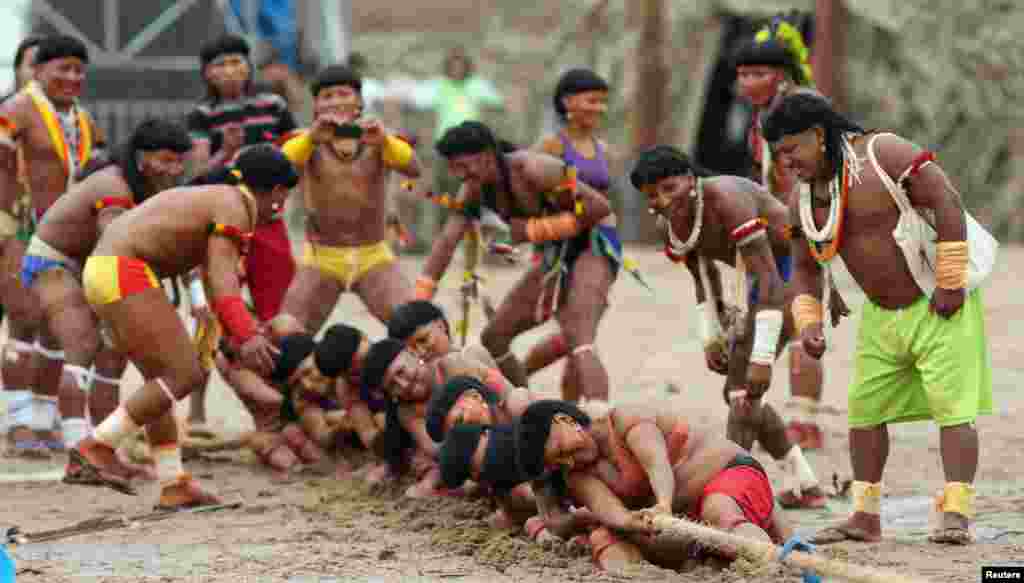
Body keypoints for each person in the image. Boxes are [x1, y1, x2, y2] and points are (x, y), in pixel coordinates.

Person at [763, 92, 995, 545]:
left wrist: (949, 281)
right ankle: (865, 517)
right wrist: (808, 322)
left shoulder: (883, 152)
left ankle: (956, 514)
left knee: (954, 411)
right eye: (779, 154)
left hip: (938, 304)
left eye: (793, 149)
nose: (787, 162)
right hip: (881, 317)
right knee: (864, 415)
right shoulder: (803, 201)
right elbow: (805, 268)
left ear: (817, 134)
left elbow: (947, 200)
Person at [66, 145, 294, 509]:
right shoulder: (237, 204)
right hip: (123, 271)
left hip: (107, 271)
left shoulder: (216, 197)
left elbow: (208, 272)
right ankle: (97, 447)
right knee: (183, 374)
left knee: (162, 381)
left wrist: (218, 322)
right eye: (283, 199)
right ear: (279, 192)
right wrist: (247, 334)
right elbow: (224, 282)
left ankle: (173, 483)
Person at [628, 145, 827, 509]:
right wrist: (711, 335)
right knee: (740, 393)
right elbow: (703, 276)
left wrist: (763, 356)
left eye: (669, 188)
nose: (662, 200)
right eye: (652, 195)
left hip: (794, 276)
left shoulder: (726, 198)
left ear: (690, 178)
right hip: (759, 284)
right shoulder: (669, 223)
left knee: (743, 395)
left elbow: (769, 278)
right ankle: (803, 482)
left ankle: (733, 490)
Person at [23, 119, 191, 467]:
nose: (174, 169)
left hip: (95, 267)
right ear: (142, 158)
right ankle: (77, 453)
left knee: (111, 359)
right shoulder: (113, 186)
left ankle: (104, 451)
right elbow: (112, 249)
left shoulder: (150, 187)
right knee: (81, 345)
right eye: (166, 160)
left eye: (179, 161)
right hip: (54, 262)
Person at [420, 121, 618, 403]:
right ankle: (529, 412)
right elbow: (447, 241)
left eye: (464, 166)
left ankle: (600, 423)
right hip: (553, 257)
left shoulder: (535, 168)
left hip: (594, 246)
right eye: (454, 168)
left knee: (579, 335)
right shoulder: (474, 189)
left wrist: (536, 230)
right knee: (494, 338)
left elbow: (600, 206)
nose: (460, 176)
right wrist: (420, 300)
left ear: (487, 155)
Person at [513, 400, 792, 570]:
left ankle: (773, 570)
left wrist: (663, 504)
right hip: (689, 525)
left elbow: (656, 464)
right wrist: (633, 522)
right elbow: (608, 509)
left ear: (565, 420)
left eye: (563, 451)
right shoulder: (577, 474)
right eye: (560, 463)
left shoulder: (624, 419)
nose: (569, 463)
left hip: (732, 479)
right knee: (604, 535)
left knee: (717, 508)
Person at [732, 16, 840, 450]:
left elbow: (827, 166)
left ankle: (803, 421)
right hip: (774, 228)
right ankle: (757, 411)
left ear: (783, 76)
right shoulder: (760, 117)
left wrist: (812, 218)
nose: (747, 83)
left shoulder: (803, 107)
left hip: (804, 224)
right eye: (742, 75)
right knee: (765, 318)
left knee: (800, 316)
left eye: (758, 74)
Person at [185, 33, 300, 437]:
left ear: (248, 66)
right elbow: (198, 176)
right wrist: (224, 153)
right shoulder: (202, 114)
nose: (230, 70)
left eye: (237, 61)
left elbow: (293, 155)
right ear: (206, 73)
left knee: (275, 313)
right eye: (220, 64)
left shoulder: (273, 105)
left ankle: (278, 405)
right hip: (222, 221)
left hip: (268, 223)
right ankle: (196, 411)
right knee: (215, 313)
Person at [0, 35, 105, 456]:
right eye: (62, 68)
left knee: (58, 328)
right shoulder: (15, 110)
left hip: (65, 237)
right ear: (38, 70)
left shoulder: (82, 118)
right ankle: (17, 420)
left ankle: (44, 419)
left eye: (79, 70)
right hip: (20, 230)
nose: (72, 77)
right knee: (23, 320)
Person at [278, 65, 421, 332]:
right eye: (327, 96)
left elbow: (414, 168)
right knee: (287, 335)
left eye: (344, 94)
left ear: (359, 102)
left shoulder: (380, 137)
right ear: (316, 106)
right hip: (321, 257)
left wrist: (385, 141)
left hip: (373, 255)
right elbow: (280, 170)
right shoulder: (303, 140)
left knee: (416, 329)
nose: (336, 101)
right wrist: (311, 138)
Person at [522, 68, 629, 403]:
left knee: (583, 335)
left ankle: (571, 409)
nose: (599, 108)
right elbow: (529, 196)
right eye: (591, 100)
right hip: (561, 248)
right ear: (567, 102)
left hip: (601, 247)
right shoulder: (550, 146)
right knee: (577, 337)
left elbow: (610, 203)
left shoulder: (605, 150)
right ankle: (519, 378)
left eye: (603, 102)